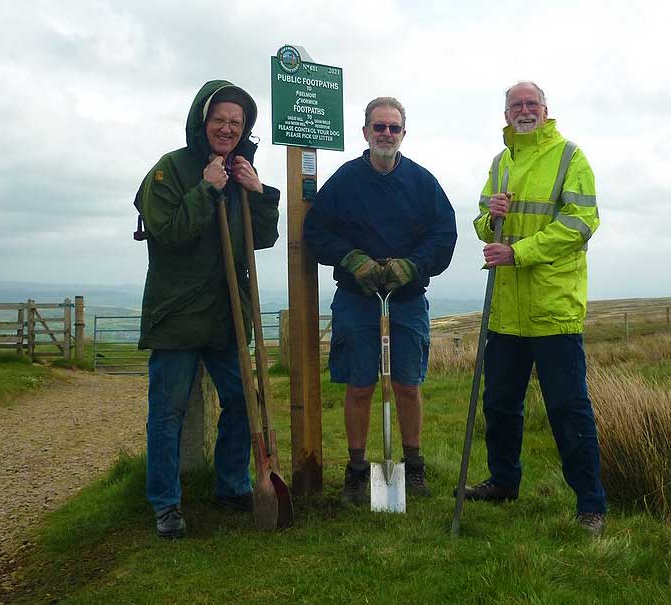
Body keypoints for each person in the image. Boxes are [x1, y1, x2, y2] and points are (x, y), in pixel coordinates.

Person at [135, 80, 280, 538]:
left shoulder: (241, 170)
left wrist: (258, 193)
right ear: (203, 119)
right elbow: (168, 233)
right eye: (219, 119)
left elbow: (263, 238)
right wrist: (205, 188)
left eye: (236, 122)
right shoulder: (170, 170)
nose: (227, 128)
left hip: (227, 316)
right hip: (177, 315)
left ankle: (232, 485)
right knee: (168, 413)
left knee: (243, 401)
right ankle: (166, 503)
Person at [466, 81, 607, 536]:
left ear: (545, 110)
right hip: (506, 311)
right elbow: (483, 224)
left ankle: (591, 504)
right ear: (506, 114)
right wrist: (493, 217)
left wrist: (518, 252)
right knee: (500, 404)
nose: (524, 110)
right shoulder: (500, 162)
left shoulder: (570, 157)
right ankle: (504, 483)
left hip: (552, 311)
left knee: (568, 408)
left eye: (531, 104)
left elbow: (581, 224)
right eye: (515, 105)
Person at [304, 97, 457, 505]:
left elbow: (444, 236)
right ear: (366, 131)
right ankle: (356, 472)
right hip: (357, 299)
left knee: (407, 385)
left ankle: (413, 468)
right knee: (360, 386)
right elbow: (316, 231)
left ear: (403, 133)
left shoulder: (423, 184)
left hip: (405, 301)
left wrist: (413, 265)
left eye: (394, 127)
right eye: (379, 127)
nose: (386, 134)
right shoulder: (346, 181)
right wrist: (351, 259)